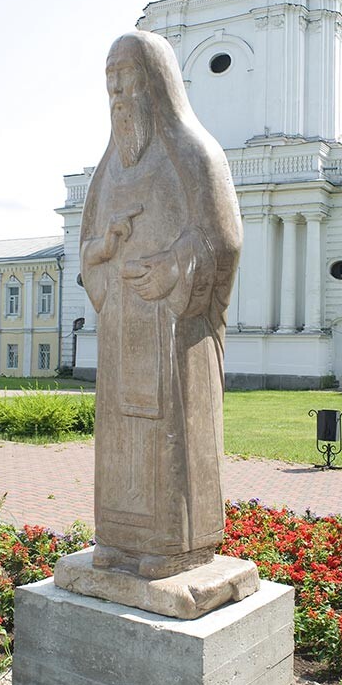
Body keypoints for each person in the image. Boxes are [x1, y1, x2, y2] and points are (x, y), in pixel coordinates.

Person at [79, 30, 242, 580]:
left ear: (158, 84)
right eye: (111, 82)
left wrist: (171, 266)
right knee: (121, 436)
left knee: (170, 433)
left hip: (175, 333)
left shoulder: (196, 155)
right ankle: (118, 540)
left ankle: (175, 545)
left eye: (129, 79)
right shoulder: (106, 171)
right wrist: (103, 250)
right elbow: (86, 248)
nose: (119, 94)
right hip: (120, 333)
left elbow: (224, 240)